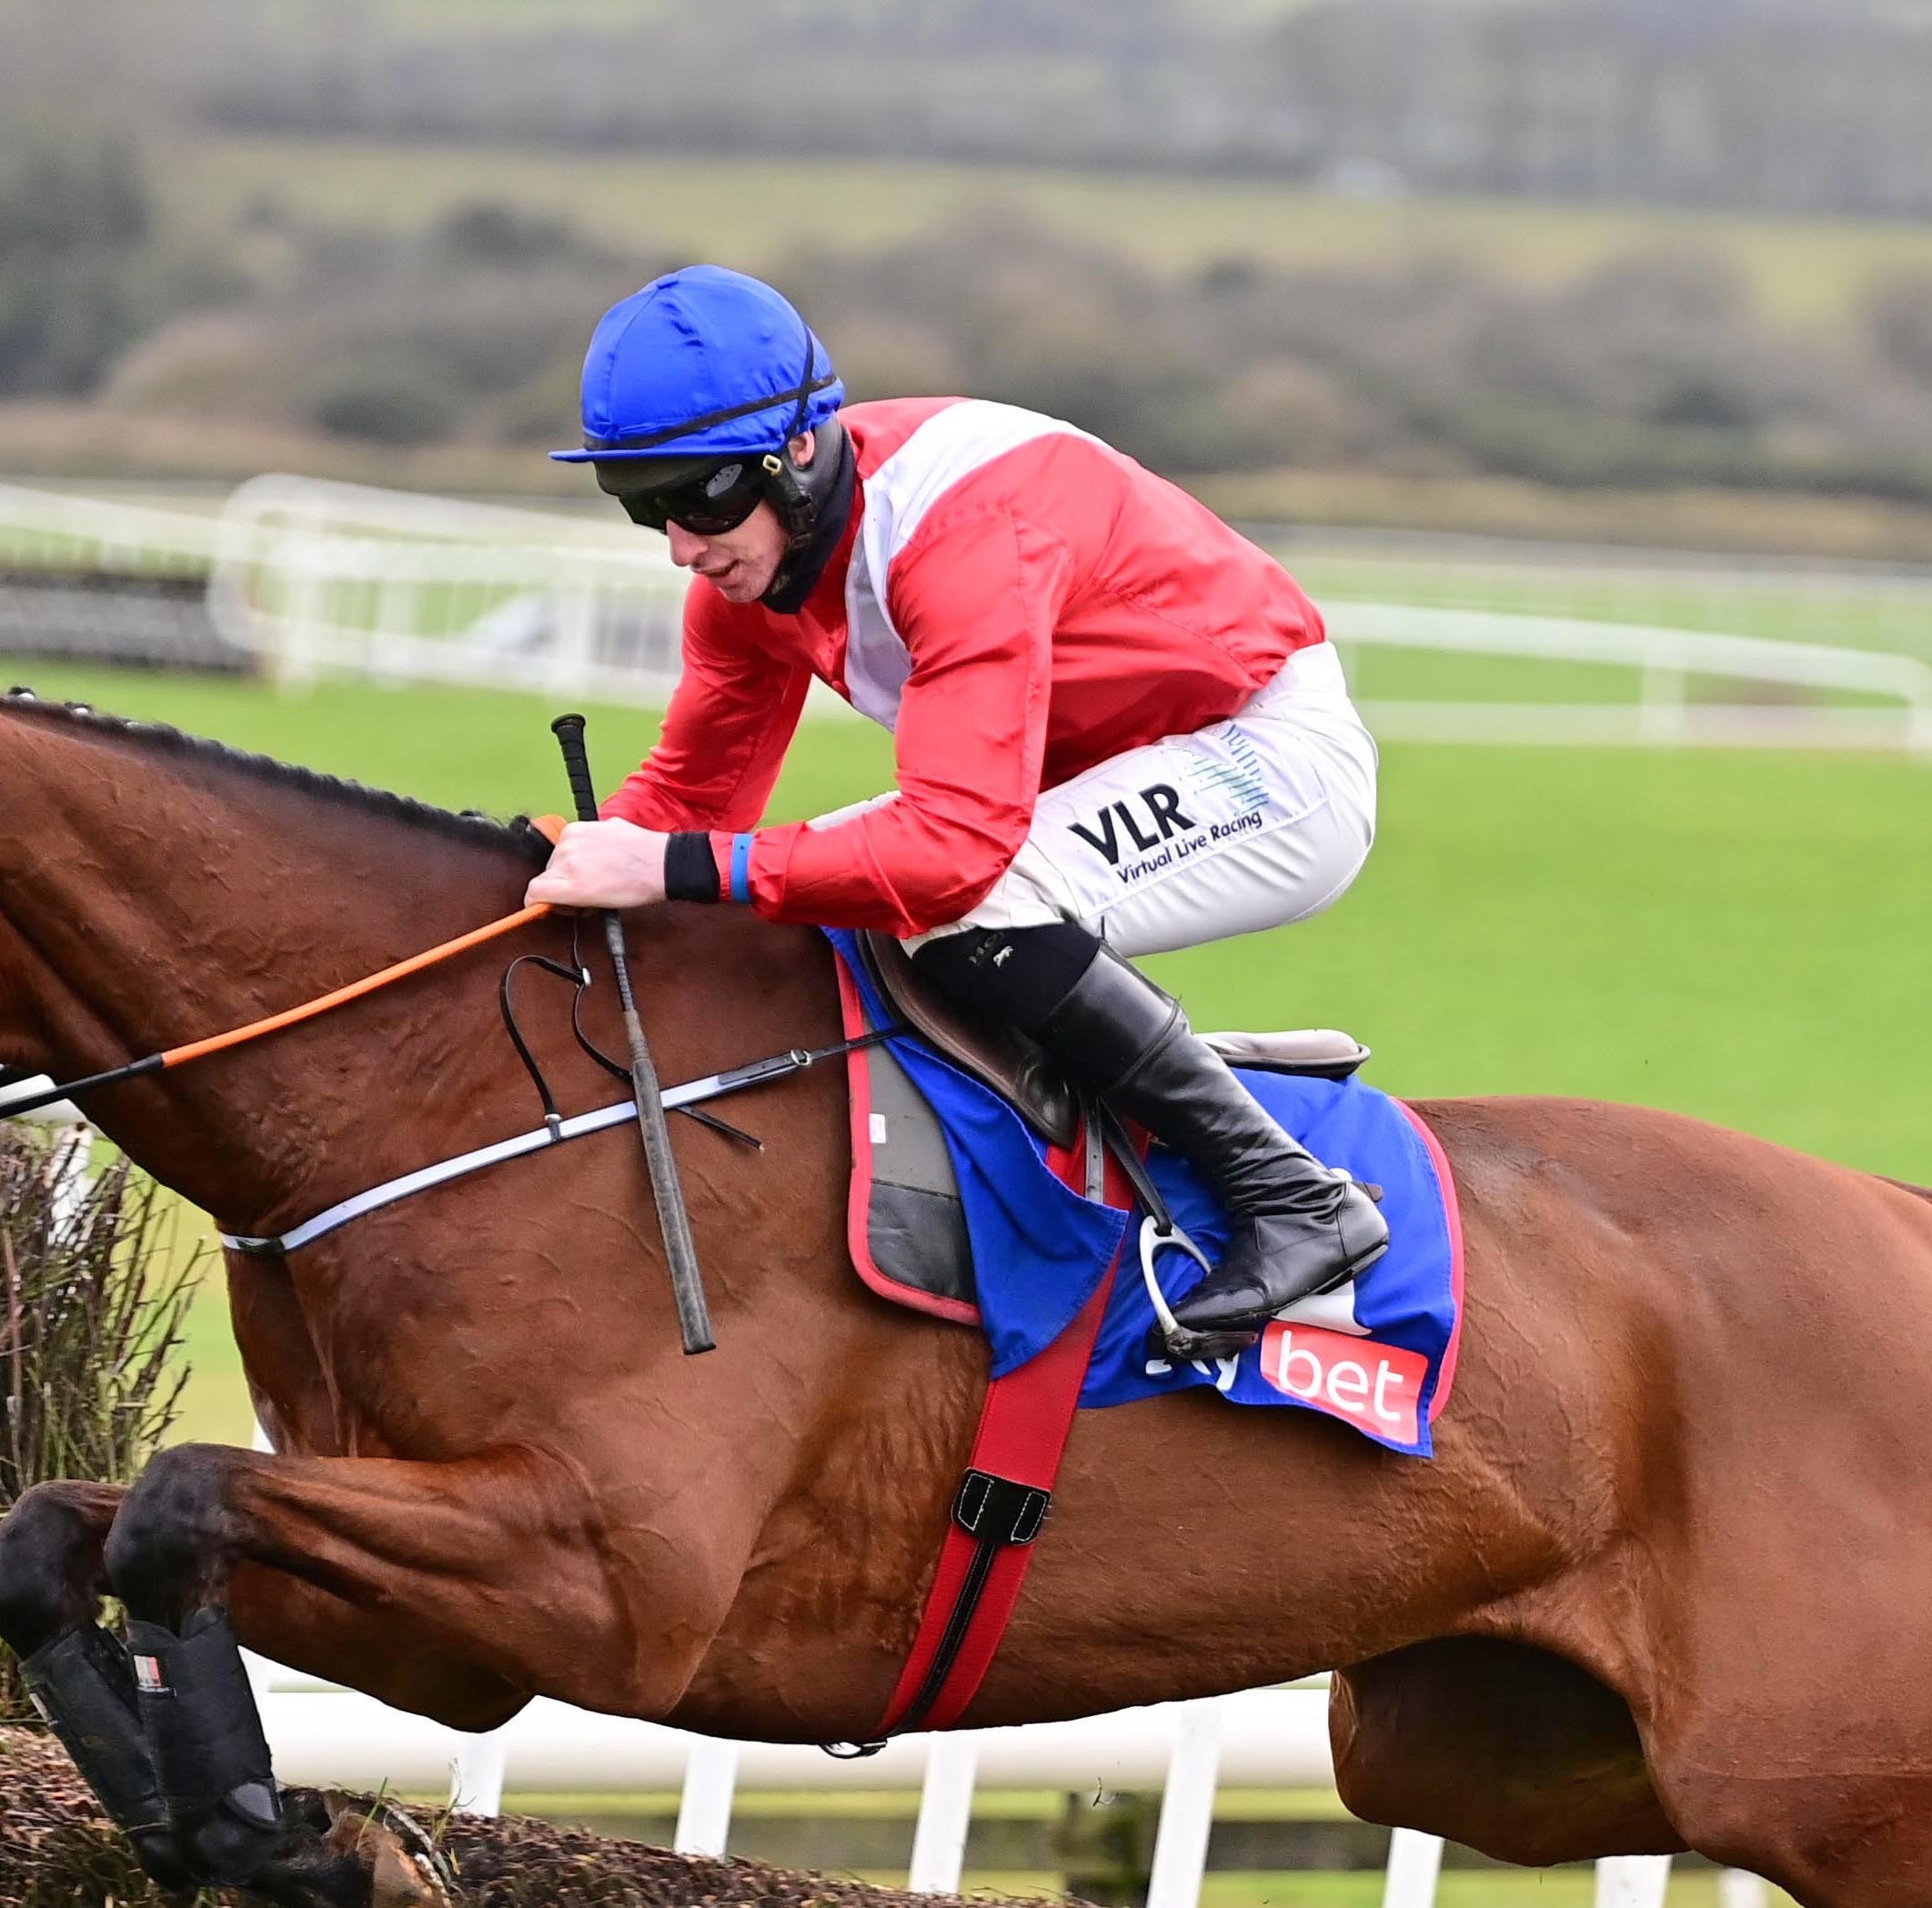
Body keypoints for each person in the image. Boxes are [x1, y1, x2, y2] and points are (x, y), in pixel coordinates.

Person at [525, 265, 1386, 1348]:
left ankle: (1292, 1196)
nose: (682, 547)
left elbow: (949, 855)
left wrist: (673, 868)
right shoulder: (753, 573)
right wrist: (520, 867)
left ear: (797, 449)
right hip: (1082, 774)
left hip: (1265, 756)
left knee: (955, 903)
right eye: (643, 507)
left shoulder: (965, 535)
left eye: (698, 498)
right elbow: (685, 804)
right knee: (825, 883)